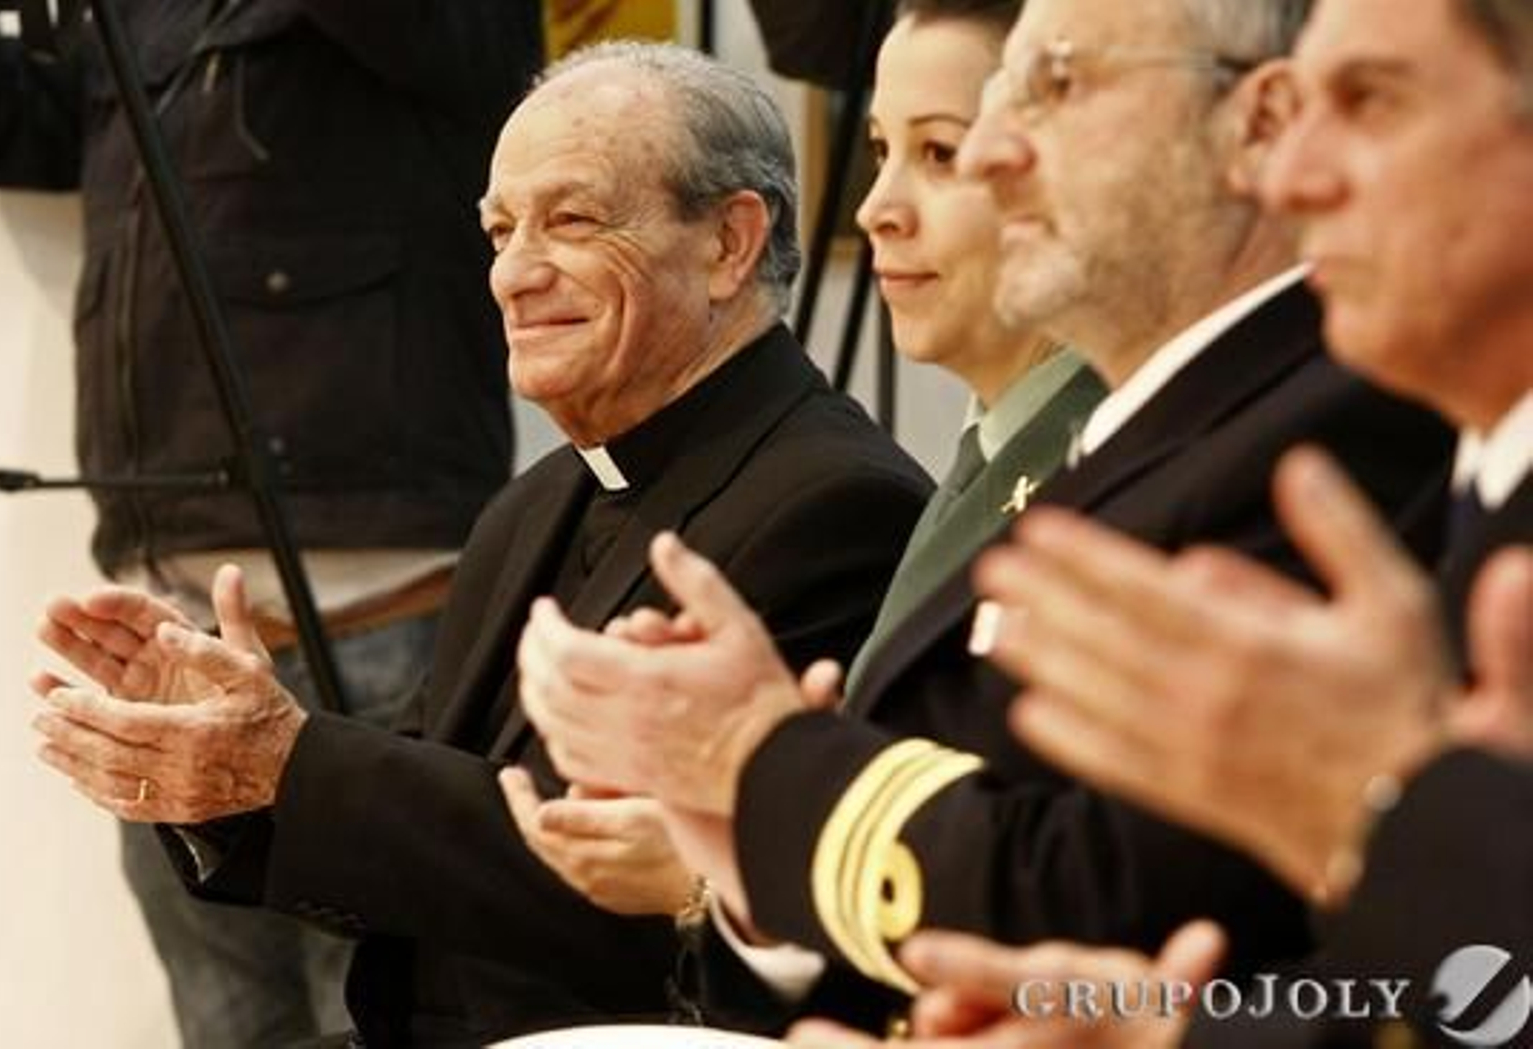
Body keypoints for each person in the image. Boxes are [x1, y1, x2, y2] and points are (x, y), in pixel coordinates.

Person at [515, 0, 1459, 1036]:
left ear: (1256, 120)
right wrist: (747, 836)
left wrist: (760, 760)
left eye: (1056, 88)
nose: (1004, 153)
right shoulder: (1166, 423)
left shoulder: (1312, 437)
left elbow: (1117, 887)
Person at [29, 41, 932, 1047]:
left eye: (572, 221)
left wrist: (291, 760)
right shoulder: (538, 498)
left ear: (728, 243)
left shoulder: (836, 502)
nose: (513, 272)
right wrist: (226, 768)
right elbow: (428, 815)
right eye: (500, 231)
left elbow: (622, 875)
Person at [792, 0, 1533, 1044]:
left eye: (1369, 100)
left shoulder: (1332, 436)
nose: (1292, 175)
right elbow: (1441, 998)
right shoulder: (1474, 465)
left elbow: (1099, 875)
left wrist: (1388, 808)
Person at [0, 2, 540, 1044]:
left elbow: (465, 53)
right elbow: (9, 126)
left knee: (385, 1001)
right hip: (173, 614)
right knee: (223, 1014)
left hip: (375, 603)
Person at [492, 0, 1104, 950]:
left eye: (940, 154)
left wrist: (724, 861)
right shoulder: (988, 457)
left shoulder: (855, 496)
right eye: (878, 148)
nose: (873, 205)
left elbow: (1070, 884)